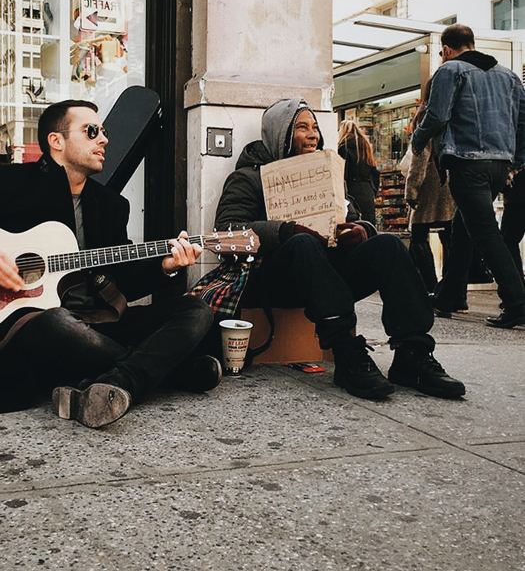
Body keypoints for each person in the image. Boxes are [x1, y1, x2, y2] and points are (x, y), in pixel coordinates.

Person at [0, 99, 218, 428]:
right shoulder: (12, 184)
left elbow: (122, 281)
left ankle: (118, 383)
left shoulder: (111, 206)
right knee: (56, 322)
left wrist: (166, 267)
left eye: (104, 132)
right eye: (91, 131)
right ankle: (169, 372)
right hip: (25, 330)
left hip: (96, 324)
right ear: (56, 141)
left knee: (196, 310)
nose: (104, 139)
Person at [193, 98, 464, 401]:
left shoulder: (325, 174)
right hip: (272, 280)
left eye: (315, 128)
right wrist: (285, 230)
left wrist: (361, 231)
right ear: (280, 134)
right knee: (302, 243)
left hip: (323, 276)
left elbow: (351, 215)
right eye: (301, 127)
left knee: (387, 244)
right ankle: (346, 352)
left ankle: (412, 353)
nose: (313, 135)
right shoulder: (248, 177)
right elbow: (223, 235)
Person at [413, 24, 525, 328]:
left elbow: (437, 115)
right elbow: (523, 120)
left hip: (467, 162)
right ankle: (450, 295)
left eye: (441, 53)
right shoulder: (509, 75)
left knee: (486, 232)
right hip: (499, 166)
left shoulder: (450, 71)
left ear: (447, 49)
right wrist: (516, 161)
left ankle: (517, 302)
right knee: (464, 227)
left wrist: (417, 140)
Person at [403, 78, 458, 299]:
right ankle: (450, 286)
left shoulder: (426, 115)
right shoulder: (455, 113)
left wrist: (411, 190)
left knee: (418, 235)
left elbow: (420, 155)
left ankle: (431, 286)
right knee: (449, 235)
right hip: (451, 183)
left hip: (430, 184)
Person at [337, 120, 379, 225]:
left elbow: (342, 174)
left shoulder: (344, 148)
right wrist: (373, 191)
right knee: (368, 225)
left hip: (352, 191)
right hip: (367, 191)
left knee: (354, 226)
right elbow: (375, 172)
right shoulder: (366, 148)